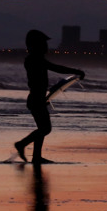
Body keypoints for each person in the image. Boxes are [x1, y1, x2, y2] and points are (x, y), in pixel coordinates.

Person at [14, 29, 85, 164]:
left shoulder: (34, 59)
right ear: (36, 45)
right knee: (45, 129)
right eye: (43, 43)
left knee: (43, 128)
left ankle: (36, 157)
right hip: (36, 99)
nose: (46, 46)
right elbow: (57, 68)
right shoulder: (35, 60)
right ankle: (21, 144)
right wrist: (76, 71)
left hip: (38, 98)